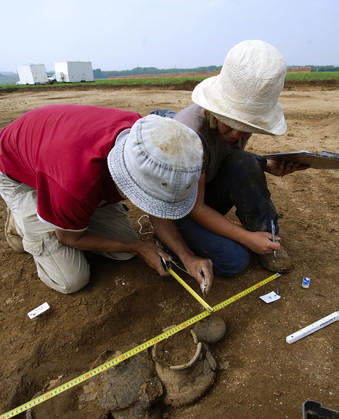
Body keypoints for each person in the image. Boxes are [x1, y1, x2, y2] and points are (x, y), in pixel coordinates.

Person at [0, 105, 213, 294]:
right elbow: (68, 238)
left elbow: (158, 208)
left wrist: (186, 256)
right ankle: (23, 222)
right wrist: (137, 247)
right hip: (17, 170)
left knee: (122, 255)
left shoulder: (149, 139)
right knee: (72, 280)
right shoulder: (76, 183)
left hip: (63, 167)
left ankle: (71, 215)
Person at [152, 40, 307, 276]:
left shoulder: (238, 128)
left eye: (245, 126)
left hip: (203, 190)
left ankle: (269, 240)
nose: (236, 134)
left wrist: (264, 165)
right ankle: (169, 239)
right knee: (233, 261)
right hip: (179, 208)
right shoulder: (190, 135)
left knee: (245, 162)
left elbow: (230, 159)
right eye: (231, 122)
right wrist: (245, 238)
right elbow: (196, 207)